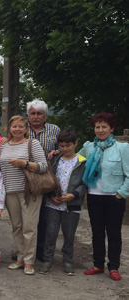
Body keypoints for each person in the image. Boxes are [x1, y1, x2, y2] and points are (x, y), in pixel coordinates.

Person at [79, 113, 128, 281]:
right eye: (97, 127)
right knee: (97, 233)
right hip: (94, 196)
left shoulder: (122, 148)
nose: (100, 130)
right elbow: (74, 159)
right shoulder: (89, 147)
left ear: (112, 128)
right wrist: (57, 152)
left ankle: (113, 266)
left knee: (114, 233)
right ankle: (98, 264)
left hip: (114, 197)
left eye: (104, 127)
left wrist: (121, 194)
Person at [0, 116, 48, 275]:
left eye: (21, 126)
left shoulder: (32, 144)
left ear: (26, 129)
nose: (17, 129)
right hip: (10, 191)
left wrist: (24, 163)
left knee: (29, 227)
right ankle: (20, 257)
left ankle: (29, 261)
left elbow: (43, 166)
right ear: (10, 128)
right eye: (14, 126)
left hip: (29, 191)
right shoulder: (3, 146)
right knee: (17, 227)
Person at [39, 130, 87, 275]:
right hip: (53, 203)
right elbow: (48, 180)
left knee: (69, 234)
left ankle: (68, 261)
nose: (65, 149)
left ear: (75, 144)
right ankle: (47, 260)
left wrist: (74, 195)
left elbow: (85, 183)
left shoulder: (82, 161)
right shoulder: (55, 159)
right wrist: (51, 196)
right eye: (62, 146)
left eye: (68, 145)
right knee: (51, 233)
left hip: (72, 204)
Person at [25, 100, 61, 262]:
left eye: (39, 113)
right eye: (33, 113)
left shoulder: (54, 130)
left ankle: (41, 251)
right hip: (26, 178)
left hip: (47, 178)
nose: (36, 116)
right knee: (27, 218)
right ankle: (25, 250)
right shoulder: (21, 128)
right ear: (28, 115)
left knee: (44, 217)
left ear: (45, 116)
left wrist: (58, 150)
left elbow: (66, 147)